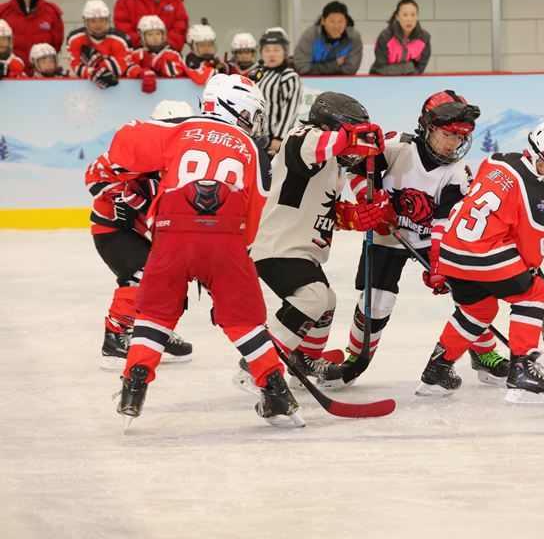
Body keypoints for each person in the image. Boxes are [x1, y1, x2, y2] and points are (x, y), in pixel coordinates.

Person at [107, 74, 306, 429]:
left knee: (155, 314)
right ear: (238, 108)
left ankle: (134, 383)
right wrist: (232, 256)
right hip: (226, 238)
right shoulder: (252, 148)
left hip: (171, 235)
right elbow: (255, 211)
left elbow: (122, 147)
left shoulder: (179, 129)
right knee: (243, 321)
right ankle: (275, 390)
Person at [314, 90, 507, 390]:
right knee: (376, 303)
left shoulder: (456, 174)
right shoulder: (394, 146)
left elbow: (446, 223)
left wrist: (440, 263)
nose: (453, 143)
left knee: (471, 294)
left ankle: (483, 353)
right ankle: (356, 358)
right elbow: (357, 167)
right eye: (447, 134)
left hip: (429, 242)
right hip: (385, 239)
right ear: (427, 126)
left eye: (459, 137)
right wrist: (369, 196)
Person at [415, 118, 544, 404]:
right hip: (484, 255)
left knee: (478, 309)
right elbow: (532, 249)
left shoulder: (497, 160)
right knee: (533, 291)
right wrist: (531, 270)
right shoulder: (540, 194)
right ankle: (523, 366)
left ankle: (438, 368)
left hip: (451, 252)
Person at [232, 92, 395, 394]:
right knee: (313, 298)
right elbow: (316, 146)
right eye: (348, 133)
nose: (356, 148)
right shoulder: (303, 136)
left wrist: (356, 217)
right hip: (278, 245)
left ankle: (303, 360)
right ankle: (254, 365)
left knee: (326, 302)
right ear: (330, 127)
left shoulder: (332, 164)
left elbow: (324, 209)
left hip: (302, 250)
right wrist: (351, 136)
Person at [85, 100, 195, 371]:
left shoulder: (188, 158)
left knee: (171, 280)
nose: (177, 132)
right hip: (115, 230)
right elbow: (94, 176)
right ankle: (116, 336)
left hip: (150, 231)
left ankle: (154, 332)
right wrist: (122, 198)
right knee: (143, 277)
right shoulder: (139, 149)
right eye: (172, 126)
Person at [0, 0, 63, 74]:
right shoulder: (3, 12)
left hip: (41, 76)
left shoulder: (51, 11)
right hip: (12, 74)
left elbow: (57, 45)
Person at [252, 27, 302, 158]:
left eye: (276, 50)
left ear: (284, 52)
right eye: (267, 50)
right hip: (255, 138)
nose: (271, 54)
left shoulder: (289, 76)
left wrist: (279, 137)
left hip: (275, 142)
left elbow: (290, 110)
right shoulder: (259, 73)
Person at [66, 0, 134, 89]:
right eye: (93, 21)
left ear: (107, 20)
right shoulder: (75, 39)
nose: (98, 25)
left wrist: (96, 68)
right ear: (86, 22)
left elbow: (122, 66)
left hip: (117, 90)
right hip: (85, 89)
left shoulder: (120, 39)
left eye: (102, 20)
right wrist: (99, 71)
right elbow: (76, 66)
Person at [294, 0, 362, 75]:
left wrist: (316, 68)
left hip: (342, 83)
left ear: (346, 22)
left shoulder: (354, 38)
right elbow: (303, 69)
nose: (336, 26)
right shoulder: (310, 36)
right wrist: (336, 64)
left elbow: (350, 70)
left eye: (340, 22)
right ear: (323, 21)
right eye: (332, 21)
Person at [369, 0, 431, 75]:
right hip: (382, 80)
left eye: (413, 15)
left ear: (417, 17)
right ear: (397, 17)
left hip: (409, 82)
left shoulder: (424, 38)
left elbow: (419, 70)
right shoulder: (385, 36)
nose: (409, 19)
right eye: (405, 15)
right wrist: (409, 66)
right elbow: (381, 68)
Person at [131, 15, 184, 92]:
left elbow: (178, 71)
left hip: (170, 94)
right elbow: (128, 68)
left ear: (163, 35)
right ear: (142, 36)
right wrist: (141, 72)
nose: (155, 37)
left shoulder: (173, 54)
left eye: (158, 34)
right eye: (150, 34)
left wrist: (157, 63)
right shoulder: (136, 54)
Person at [181, 20, 229, 85]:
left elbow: (223, 69)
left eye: (209, 45)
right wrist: (219, 70)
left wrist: (223, 67)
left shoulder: (213, 59)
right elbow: (200, 78)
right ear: (193, 46)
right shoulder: (190, 59)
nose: (206, 48)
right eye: (202, 45)